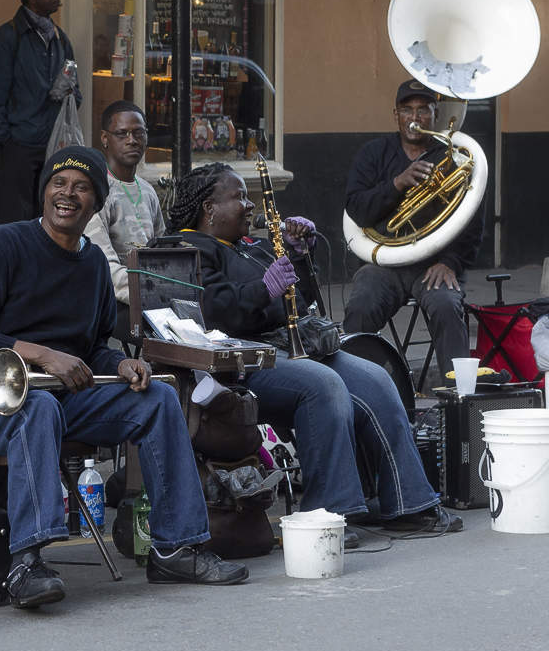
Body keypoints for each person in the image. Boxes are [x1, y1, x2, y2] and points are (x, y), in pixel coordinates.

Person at [0, 145, 248, 609]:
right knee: (35, 408)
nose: (68, 194)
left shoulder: (95, 265)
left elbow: (94, 346)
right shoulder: (0, 246)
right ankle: (26, 563)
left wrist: (119, 363)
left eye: (82, 188)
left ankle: (176, 548)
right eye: (59, 184)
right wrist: (42, 355)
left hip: (59, 399)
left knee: (156, 399)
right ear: (44, 194)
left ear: (97, 204)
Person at [167, 161, 462, 536]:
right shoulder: (192, 248)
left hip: (295, 349)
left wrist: (298, 256)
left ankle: (410, 503)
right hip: (246, 361)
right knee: (322, 386)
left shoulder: (250, 247)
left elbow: (300, 301)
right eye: (239, 197)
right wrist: (263, 289)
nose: (250, 205)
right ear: (210, 208)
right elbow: (210, 312)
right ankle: (330, 511)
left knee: (376, 379)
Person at [343, 80, 482, 389]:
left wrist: (451, 262)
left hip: (434, 265)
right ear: (396, 115)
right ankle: (354, 389)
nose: (415, 117)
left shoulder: (454, 156)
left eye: (423, 109)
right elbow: (356, 208)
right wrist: (397, 184)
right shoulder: (374, 154)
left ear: (435, 114)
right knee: (361, 306)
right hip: (384, 264)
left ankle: (461, 397)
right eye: (407, 110)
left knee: (447, 307)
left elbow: (472, 220)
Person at [0, 0, 80, 222]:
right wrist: (6, 140)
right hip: (19, 145)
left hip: (53, 145)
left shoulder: (59, 38)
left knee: (49, 216)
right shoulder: (8, 37)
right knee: (16, 217)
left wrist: (69, 95)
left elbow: (75, 92)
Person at [83, 100, 165, 342]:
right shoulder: (97, 190)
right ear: (105, 139)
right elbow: (102, 265)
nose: (132, 140)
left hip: (151, 297)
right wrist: (152, 292)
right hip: (114, 302)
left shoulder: (148, 191)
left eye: (139, 133)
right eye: (122, 134)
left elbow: (162, 249)